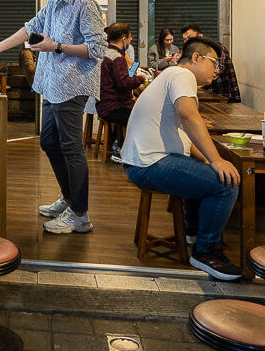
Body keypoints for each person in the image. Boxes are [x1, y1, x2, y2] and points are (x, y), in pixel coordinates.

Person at [0, 0, 107, 234]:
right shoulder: (55, 1)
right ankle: (69, 198)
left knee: (72, 149)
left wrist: (57, 46)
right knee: (49, 142)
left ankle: (80, 215)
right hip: (51, 84)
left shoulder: (85, 4)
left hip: (72, 85)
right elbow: (30, 29)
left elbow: (98, 49)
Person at [120, 36, 244, 281]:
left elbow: (187, 138)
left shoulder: (173, 77)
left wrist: (211, 160)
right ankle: (205, 251)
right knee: (225, 184)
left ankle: (193, 231)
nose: (217, 71)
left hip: (142, 161)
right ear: (196, 58)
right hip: (149, 163)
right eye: (214, 63)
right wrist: (217, 160)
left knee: (210, 170)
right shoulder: (182, 75)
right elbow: (187, 116)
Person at [97, 22, 145, 161]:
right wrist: (140, 79)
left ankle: (120, 146)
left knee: (137, 110)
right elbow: (124, 83)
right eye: (130, 38)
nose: (130, 41)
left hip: (104, 104)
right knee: (142, 116)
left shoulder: (105, 52)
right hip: (113, 107)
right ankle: (122, 150)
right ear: (124, 39)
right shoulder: (117, 57)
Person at [182, 24, 241, 102]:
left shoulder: (214, 48)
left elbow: (218, 70)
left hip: (226, 98)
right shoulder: (194, 52)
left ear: (200, 36)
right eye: (185, 39)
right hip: (211, 95)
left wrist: (199, 83)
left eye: (189, 38)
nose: (187, 41)